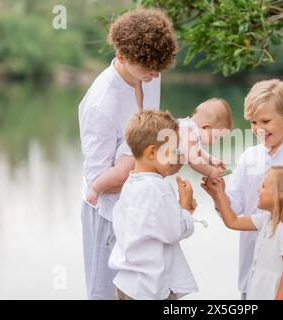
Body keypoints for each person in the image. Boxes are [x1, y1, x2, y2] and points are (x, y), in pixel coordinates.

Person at [78, 8, 177, 299]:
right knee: (105, 294)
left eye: (159, 68)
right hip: (109, 214)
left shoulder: (150, 73)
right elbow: (98, 180)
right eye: (149, 69)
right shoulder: (100, 104)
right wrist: (154, 167)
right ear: (121, 56)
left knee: (156, 292)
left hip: (146, 205)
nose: (156, 75)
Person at [205, 79, 283, 300]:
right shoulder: (249, 157)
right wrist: (218, 193)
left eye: (265, 121)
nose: (258, 129)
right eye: (253, 122)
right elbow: (234, 210)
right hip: (253, 275)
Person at [109, 110, 198, 300]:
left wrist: (182, 211)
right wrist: (184, 209)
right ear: (151, 152)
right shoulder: (159, 188)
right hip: (149, 290)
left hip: (127, 284)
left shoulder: (131, 184)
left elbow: (154, 225)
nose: (175, 157)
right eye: (171, 151)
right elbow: (173, 231)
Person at [85, 97, 233, 206]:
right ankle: (95, 188)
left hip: (149, 153)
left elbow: (197, 151)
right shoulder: (190, 133)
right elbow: (193, 159)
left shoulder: (189, 127)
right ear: (206, 127)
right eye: (217, 137)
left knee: (128, 179)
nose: (215, 141)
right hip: (140, 148)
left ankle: (106, 192)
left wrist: (211, 159)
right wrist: (211, 172)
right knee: (120, 173)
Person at [202, 166, 283, 299]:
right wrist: (218, 194)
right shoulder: (267, 219)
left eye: (263, 186)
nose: (258, 190)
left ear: (281, 193)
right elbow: (232, 222)